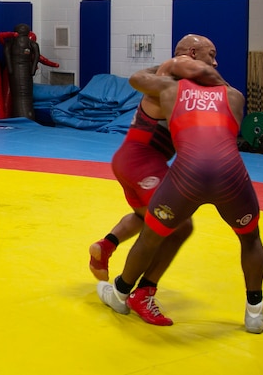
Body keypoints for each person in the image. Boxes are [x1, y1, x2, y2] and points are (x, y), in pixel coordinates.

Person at [97, 55, 263, 334]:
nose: (214, 61)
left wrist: (172, 65)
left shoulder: (168, 90)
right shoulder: (234, 95)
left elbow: (136, 79)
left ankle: (119, 294)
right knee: (250, 239)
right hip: (231, 174)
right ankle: (254, 314)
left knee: (152, 235)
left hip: (187, 174)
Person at [88, 34, 222, 325]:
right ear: (192, 53)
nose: (215, 62)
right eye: (211, 55)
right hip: (143, 163)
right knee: (178, 226)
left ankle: (107, 245)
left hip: (134, 160)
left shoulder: (170, 79)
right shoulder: (172, 83)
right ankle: (141, 291)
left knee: (149, 217)